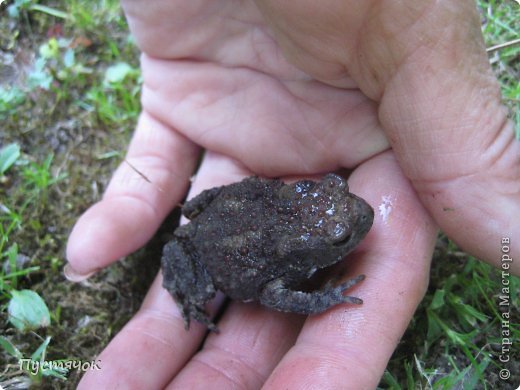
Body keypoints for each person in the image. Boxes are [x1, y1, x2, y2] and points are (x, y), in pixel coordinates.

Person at [65, 0, 519, 388]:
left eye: (338, 193)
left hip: (232, 209)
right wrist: (323, 300)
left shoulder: (295, 222)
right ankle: (186, 297)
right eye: (341, 237)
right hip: (211, 250)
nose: (360, 213)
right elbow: (274, 294)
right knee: (194, 279)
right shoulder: (289, 255)